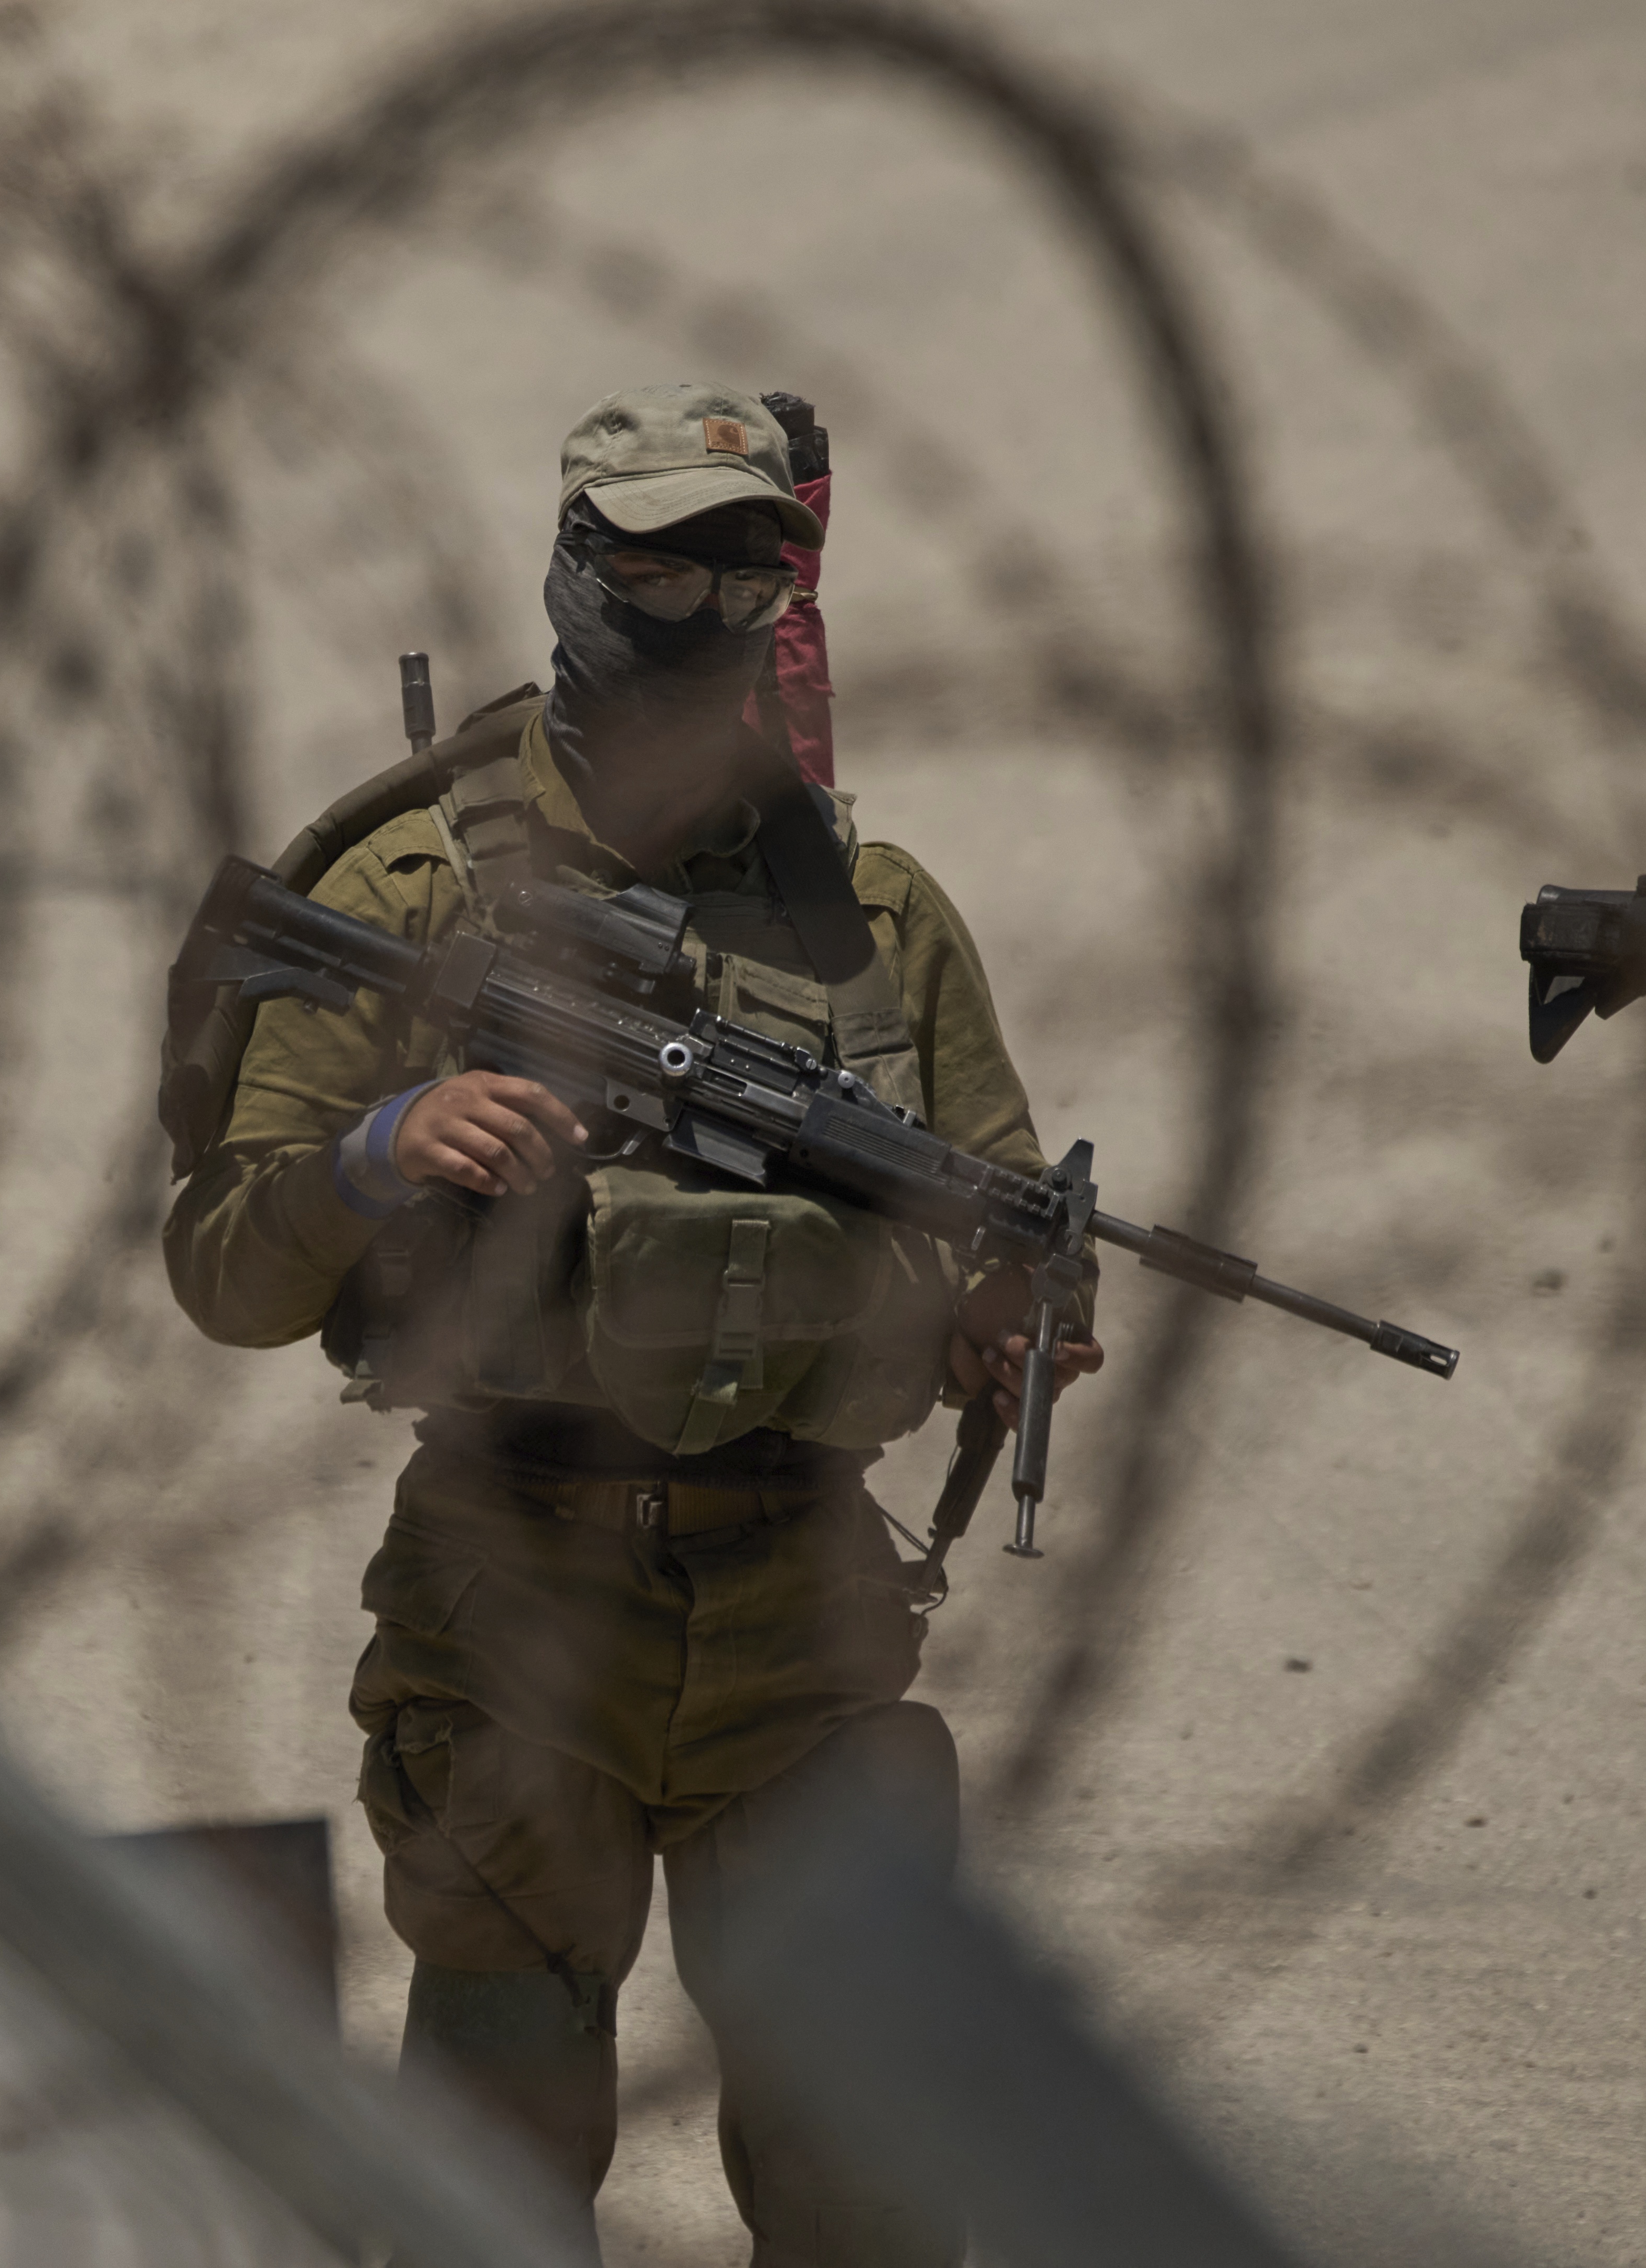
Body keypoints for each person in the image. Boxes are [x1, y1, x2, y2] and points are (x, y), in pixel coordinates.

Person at [162, 381, 1096, 2265]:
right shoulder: (415, 888)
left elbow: (990, 1199)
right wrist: (379, 1146)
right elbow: (223, 1269)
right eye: (652, 564)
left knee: (864, 2172)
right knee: (495, 2165)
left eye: (741, 568)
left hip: (802, 1613)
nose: (696, 607)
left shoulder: (872, 913)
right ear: (577, 567)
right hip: (508, 1605)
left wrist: (1013, 1315)